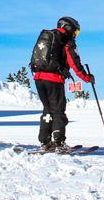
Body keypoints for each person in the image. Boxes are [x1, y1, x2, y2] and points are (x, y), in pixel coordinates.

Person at [29, 16, 94, 153]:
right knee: (58, 110)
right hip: (54, 79)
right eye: (75, 32)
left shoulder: (48, 37)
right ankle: (59, 143)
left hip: (38, 78)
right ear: (69, 28)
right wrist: (87, 78)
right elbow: (74, 64)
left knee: (47, 109)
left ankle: (45, 142)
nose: (75, 35)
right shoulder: (66, 41)